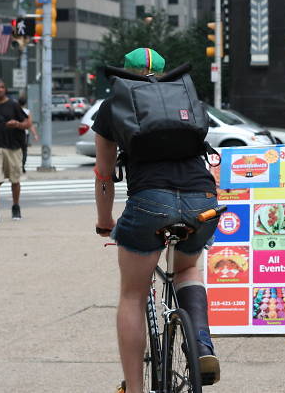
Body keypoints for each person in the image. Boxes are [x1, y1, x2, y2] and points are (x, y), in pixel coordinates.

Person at [93, 48, 220, 393]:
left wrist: (105, 221)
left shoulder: (113, 106)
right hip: (202, 200)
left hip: (150, 202)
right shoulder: (184, 96)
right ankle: (201, 344)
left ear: (126, 73)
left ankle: (135, 389)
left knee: (132, 295)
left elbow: (105, 174)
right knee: (188, 269)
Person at [0, 79, 30, 223]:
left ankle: (15, 207)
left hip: (13, 147)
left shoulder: (14, 105)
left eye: (3, 87)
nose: (0, 89)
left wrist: (17, 124)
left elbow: (28, 123)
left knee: (15, 180)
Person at [17, 96, 40, 173]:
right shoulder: (27, 112)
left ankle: (16, 166)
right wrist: (35, 135)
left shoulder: (14, 111)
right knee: (24, 150)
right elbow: (30, 124)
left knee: (15, 150)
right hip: (24, 133)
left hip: (14, 133)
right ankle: (22, 165)